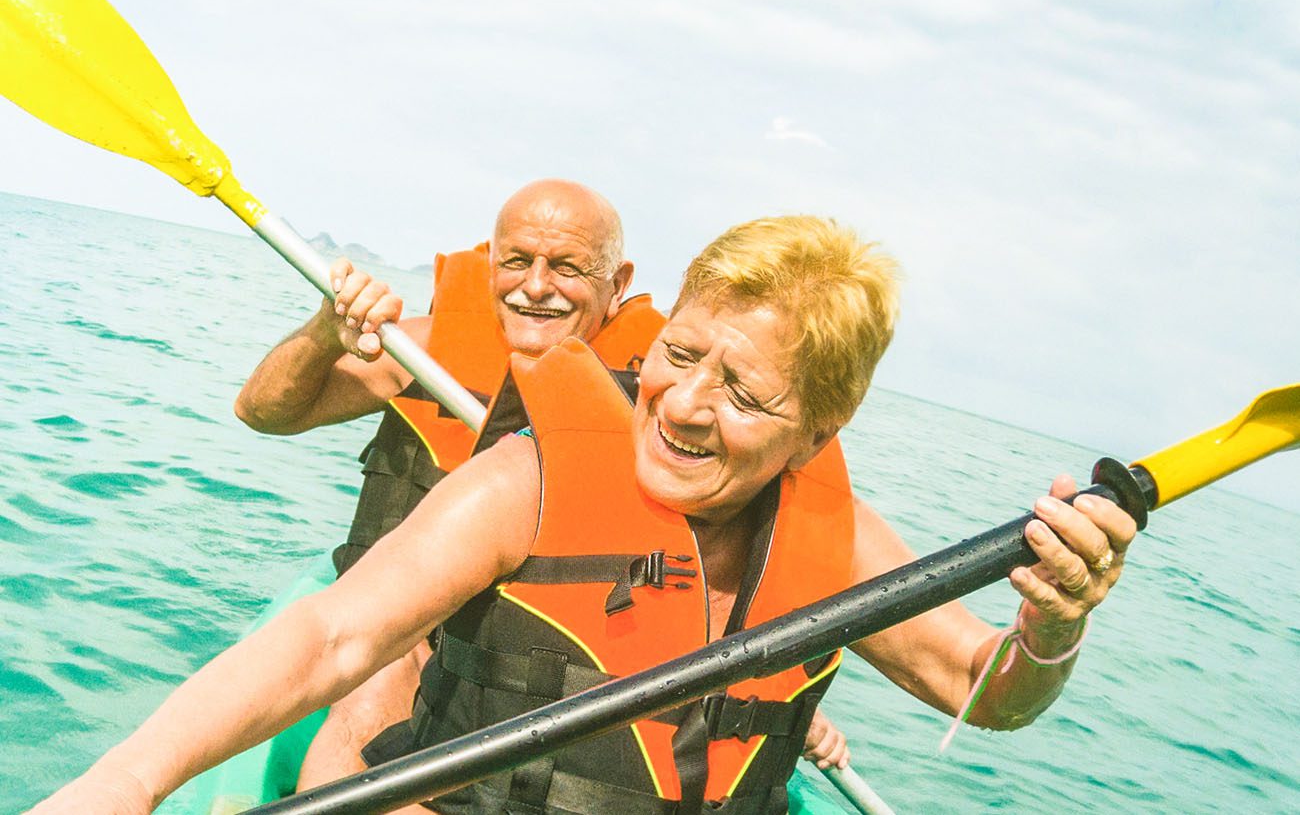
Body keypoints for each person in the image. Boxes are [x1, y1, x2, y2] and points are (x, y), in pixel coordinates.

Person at [33, 215, 1137, 815]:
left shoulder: (839, 540)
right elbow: (335, 634)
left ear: (819, 429)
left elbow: (986, 693)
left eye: (744, 394)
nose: (684, 406)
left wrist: (1052, 626)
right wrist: (124, 783)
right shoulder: (532, 480)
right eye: (679, 354)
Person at [232, 181, 848, 789]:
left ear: (619, 284)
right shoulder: (420, 350)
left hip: (564, 648)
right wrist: (321, 335)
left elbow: (727, 568)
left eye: (568, 268)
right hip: (409, 619)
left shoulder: (662, 408)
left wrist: (770, 686)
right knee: (371, 700)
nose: (535, 286)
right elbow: (263, 413)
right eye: (517, 262)